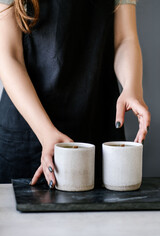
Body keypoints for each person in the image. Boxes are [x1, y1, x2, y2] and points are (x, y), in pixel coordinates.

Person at [0, 0, 150, 188]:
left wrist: (132, 86)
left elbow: (124, 39)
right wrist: (46, 133)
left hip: (95, 121)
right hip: (27, 130)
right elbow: (8, 54)